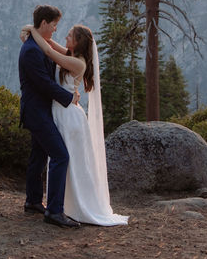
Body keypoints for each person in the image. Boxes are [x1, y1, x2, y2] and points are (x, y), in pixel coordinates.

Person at [21, 21, 128, 226]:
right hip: (59, 111)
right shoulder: (71, 55)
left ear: (78, 42)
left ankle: (65, 207)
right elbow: (50, 44)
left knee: (66, 158)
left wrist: (34, 30)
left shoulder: (78, 63)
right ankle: (43, 203)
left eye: (70, 35)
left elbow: (49, 52)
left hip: (69, 116)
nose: (65, 37)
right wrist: (31, 30)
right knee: (50, 155)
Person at [18, 4, 82, 228]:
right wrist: (69, 97)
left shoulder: (36, 45)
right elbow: (43, 84)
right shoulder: (31, 51)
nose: (56, 29)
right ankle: (54, 211)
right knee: (60, 156)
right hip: (37, 112)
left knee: (39, 156)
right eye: (54, 25)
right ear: (44, 23)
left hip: (41, 111)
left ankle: (33, 201)